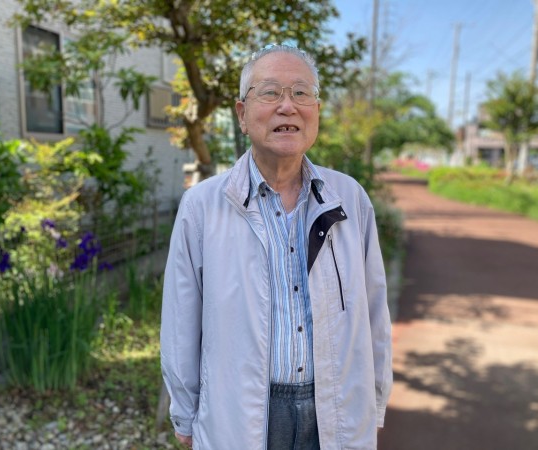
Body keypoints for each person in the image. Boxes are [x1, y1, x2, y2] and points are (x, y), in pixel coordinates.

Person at [160, 43, 393, 450]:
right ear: (242, 114)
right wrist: (185, 410)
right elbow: (181, 321)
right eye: (270, 92)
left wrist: (373, 401)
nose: (288, 107)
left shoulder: (349, 198)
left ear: (316, 110)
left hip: (333, 407)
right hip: (241, 413)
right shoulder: (202, 206)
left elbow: (374, 311)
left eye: (302, 93)